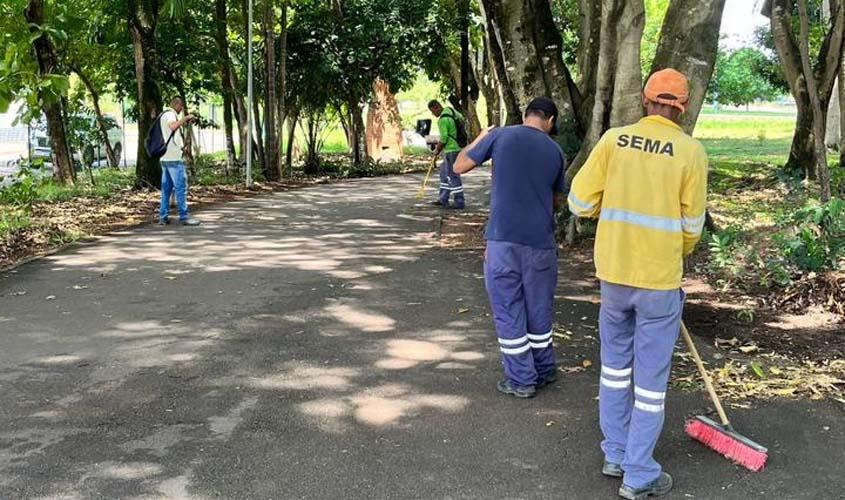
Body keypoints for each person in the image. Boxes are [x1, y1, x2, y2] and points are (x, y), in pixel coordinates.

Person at [568, 68, 708, 500]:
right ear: (681, 109)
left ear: (646, 100)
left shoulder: (613, 141)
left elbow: (578, 201)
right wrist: (673, 252)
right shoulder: (691, 152)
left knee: (614, 370)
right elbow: (692, 227)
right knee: (650, 381)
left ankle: (615, 453)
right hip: (659, 282)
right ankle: (639, 472)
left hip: (614, 277)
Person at [454, 97, 566, 399]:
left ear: (526, 115)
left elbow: (459, 165)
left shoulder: (501, 135)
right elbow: (557, 201)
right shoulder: (556, 151)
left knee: (508, 309)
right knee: (539, 308)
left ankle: (521, 379)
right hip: (541, 244)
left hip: (503, 242)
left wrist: (480, 137)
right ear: (551, 121)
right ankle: (544, 369)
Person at [158, 97, 200, 226]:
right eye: (181, 107)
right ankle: (184, 216)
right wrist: (185, 119)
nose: (182, 109)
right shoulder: (170, 114)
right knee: (180, 188)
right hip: (173, 159)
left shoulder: (163, 114)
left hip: (165, 157)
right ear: (177, 105)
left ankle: (163, 216)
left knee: (166, 189)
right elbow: (173, 126)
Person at [428, 100, 466, 209]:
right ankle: (443, 199)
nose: (433, 114)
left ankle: (459, 202)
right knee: (444, 174)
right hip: (458, 147)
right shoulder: (453, 112)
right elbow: (462, 121)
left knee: (453, 175)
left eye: (432, 111)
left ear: (436, 107)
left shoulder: (443, 120)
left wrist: (437, 150)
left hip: (451, 150)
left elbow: (444, 138)